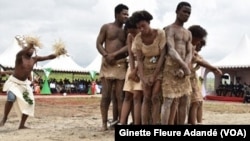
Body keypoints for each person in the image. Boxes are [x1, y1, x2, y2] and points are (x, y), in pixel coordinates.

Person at [0, 35, 67, 129]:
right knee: (11, 97)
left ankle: (22, 124)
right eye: (30, 48)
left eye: (33, 49)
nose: (32, 50)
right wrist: (29, 46)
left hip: (24, 85)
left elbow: (48, 57)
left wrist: (58, 53)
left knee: (30, 103)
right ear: (26, 49)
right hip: (14, 83)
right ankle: (4, 118)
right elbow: (21, 52)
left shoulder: (34, 59)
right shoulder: (20, 57)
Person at [96, 3, 129, 130]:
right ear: (117, 14)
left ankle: (120, 122)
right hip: (107, 64)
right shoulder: (106, 27)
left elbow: (128, 46)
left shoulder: (127, 31)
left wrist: (114, 55)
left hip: (120, 64)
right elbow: (98, 43)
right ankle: (104, 123)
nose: (126, 16)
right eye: (124, 14)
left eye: (127, 14)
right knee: (106, 95)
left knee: (120, 96)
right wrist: (106, 55)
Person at [161, 1, 194, 125]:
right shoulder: (169, 29)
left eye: (189, 13)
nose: (186, 14)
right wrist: (184, 66)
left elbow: (190, 51)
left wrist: (184, 67)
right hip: (170, 67)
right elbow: (170, 49)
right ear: (177, 11)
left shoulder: (188, 33)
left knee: (185, 99)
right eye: (184, 11)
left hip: (183, 69)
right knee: (168, 100)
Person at [132, 10, 166, 125]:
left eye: (143, 26)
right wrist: (143, 78)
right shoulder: (137, 39)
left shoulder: (160, 34)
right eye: (138, 27)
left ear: (148, 22)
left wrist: (155, 75)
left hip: (159, 69)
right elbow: (140, 60)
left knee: (155, 97)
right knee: (146, 97)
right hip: (145, 69)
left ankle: (155, 123)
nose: (141, 29)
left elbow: (162, 56)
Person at [187, 34, 222, 125]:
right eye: (199, 45)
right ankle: (192, 122)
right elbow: (200, 61)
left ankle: (199, 122)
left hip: (194, 80)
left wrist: (212, 67)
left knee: (199, 102)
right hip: (187, 80)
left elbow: (202, 61)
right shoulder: (189, 51)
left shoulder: (197, 54)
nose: (200, 48)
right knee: (195, 102)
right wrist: (213, 68)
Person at [119, 16, 143, 125]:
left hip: (143, 67)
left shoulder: (144, 37)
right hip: (132, 66)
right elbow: (131, 54)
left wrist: (136, 71)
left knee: (137, 96)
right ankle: (122, 122)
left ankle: (137, 123)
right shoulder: (129, 36)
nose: (132, 34)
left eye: (134, 32)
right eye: (130, 32)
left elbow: (144, 56)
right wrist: (132, 70)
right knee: (127, 95)